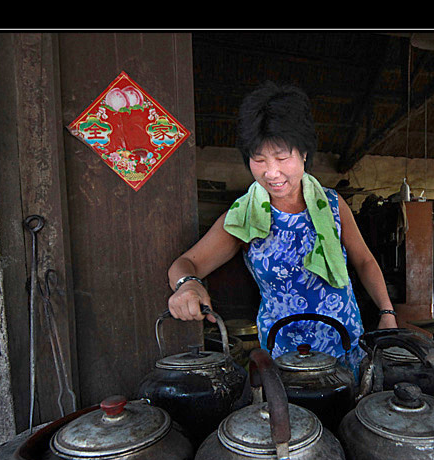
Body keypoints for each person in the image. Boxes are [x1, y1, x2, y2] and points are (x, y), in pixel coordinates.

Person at [166, 81, 397, 374]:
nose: (271, 172)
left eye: (282, 157)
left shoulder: (332, 204)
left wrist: (386, 311)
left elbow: (363, 260)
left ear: (303, 153)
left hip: (345, 344)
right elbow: (185, 264)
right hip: (283, 356)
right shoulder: (242, 217)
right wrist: (187, 286)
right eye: (259, 160)